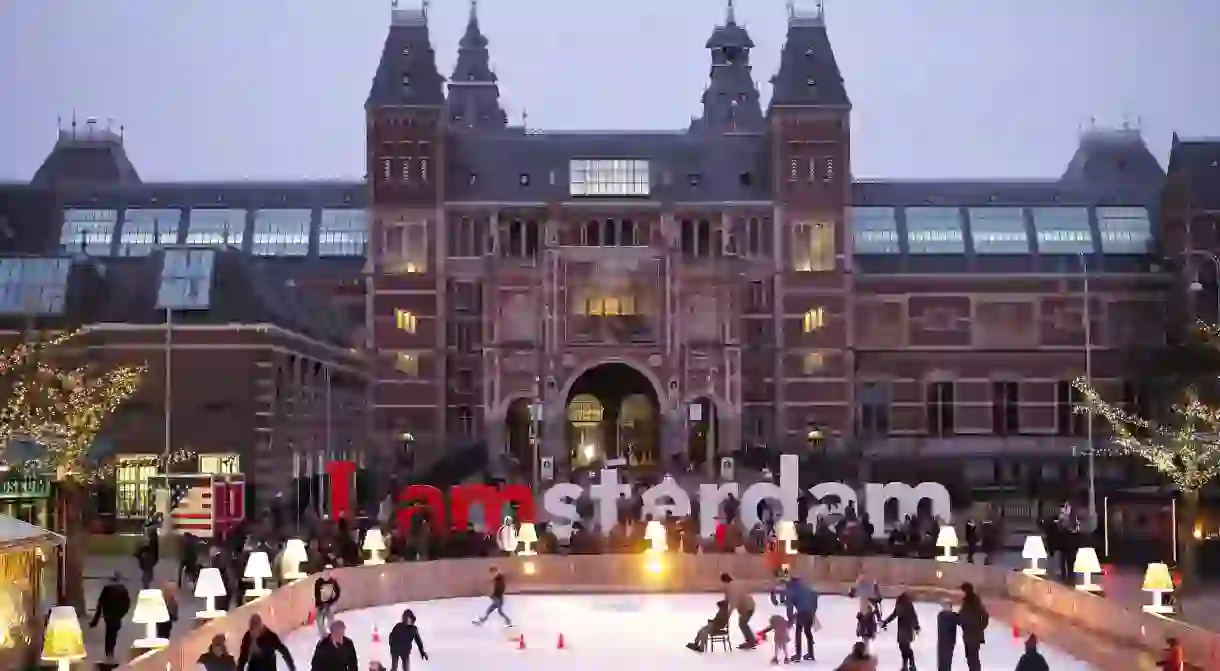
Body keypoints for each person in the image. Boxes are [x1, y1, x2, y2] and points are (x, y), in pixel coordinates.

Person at [88, 572, 131, 663]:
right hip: (117, 615)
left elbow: (100, 604)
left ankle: (109, 652)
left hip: (109, 615)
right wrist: (122, 613)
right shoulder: (123, 590)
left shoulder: (107, 589)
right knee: (113, 633)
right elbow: (127, 603)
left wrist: (95, 620)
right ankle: (110, 652)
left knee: (109, 634)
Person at [782, 575, 818, 662]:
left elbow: (789, 607)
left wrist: (790, 618)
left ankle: (798, 655)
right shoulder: (806, 586)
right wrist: (813, 611)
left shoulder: (790, 591)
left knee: (798, 631)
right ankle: (811, 653)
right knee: (807, 631)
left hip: (802, 612)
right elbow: (815, 595)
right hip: (810, 611)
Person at [881, 592, 920, 671]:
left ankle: (910, 664)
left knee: (905, 647)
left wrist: (916, 627)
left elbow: (912, 616)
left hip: (906, 629)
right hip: (904, 629)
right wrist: (885, 622)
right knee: (904, 647)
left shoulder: (906, 605)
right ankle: (908, 665)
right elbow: (894, 614)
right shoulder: (905, 605)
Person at [957, 583, 989, 671]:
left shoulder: (970, 602)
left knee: (972, 658)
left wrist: (978, 627)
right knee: (973, 657)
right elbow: (985, 616)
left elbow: (963, 617)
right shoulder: (974, 601)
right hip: (973, 634)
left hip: (971, 634)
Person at [720, 572, 757, 649]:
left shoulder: (733, 587)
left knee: (743, 623)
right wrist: (724, 602)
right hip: (748, 605)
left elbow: (733, 601)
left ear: (725, 581)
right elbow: (728, 597)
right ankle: (751, 640)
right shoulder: (732, 585)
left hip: (747, 607)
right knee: (743, 623)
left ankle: (751, 641)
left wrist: (728, 614)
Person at [314, 566, 342, 638]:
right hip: (320, 606)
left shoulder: (333, 582)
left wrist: (332, 603)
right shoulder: (319, 581)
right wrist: (321, 605)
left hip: (329, 605)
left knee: (331, 621)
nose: (327, 573)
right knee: (320, 623)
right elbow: (317, 594)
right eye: (326, 571)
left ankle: (333, 635)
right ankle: (324, 637)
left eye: (329, 571)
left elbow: (338, 592)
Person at [936, 600, 956, 671]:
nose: (944, 607)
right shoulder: (942, 615)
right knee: (943, 660)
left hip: (947, 641)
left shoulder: (951, 616)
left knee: (946, 661)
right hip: (944, 641)